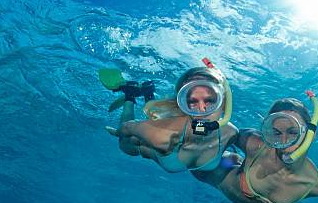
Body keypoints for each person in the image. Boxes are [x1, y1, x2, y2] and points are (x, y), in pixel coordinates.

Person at [192, 93, 318, 203]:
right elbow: (227, 131)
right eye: (276, 133)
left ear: (311, 135)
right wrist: (197, 127)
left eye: (293, 132)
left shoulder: (315, 187)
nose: (284, 142)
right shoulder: (256, 144)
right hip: (217, 170)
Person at [101, 59, 238, 173]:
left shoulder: (230, 134)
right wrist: (118, 132)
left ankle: (148, 92)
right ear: (181, 103)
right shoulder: (163, 136)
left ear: (224, 102)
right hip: (142, 144)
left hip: (165, 127)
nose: (202, 110)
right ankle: (129, 96)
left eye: (210, 100)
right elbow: (127, 127)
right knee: (126, 146)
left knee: (156, 118)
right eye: (191, 101)